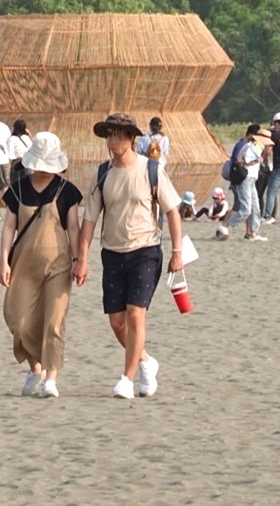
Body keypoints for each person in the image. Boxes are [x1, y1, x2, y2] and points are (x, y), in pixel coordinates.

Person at [74, 112, 184, 399]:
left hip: (146, 250)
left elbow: (173, 211)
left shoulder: (151, 170)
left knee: (136, 316)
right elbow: (89, 220)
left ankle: (127, 379)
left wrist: (176, 252)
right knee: (116, 322)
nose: (112, 140)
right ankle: (146, 362)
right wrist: (82, 259)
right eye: (109, 134)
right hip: (112, 253)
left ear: (131, 138)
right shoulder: (102, 174)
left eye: (119, 134)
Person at [0, 131, 83, 400]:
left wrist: (79, 260)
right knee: (20, 322)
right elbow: (9, 226)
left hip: (58, 266)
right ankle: (35, 368)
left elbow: (73, 227)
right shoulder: (18, 189)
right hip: (23, 265)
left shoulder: (66, 190)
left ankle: (51, 378)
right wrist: (4, 261)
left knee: (54, 322)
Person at [224, 124, 265, 242]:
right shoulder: (244, 146)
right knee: (243, 208)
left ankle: (251, 232)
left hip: (249, 179)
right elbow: (238, 162)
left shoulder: (250, 145)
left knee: (253, 208)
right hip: (242, 179)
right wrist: (256, 161)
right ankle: (225, 226)